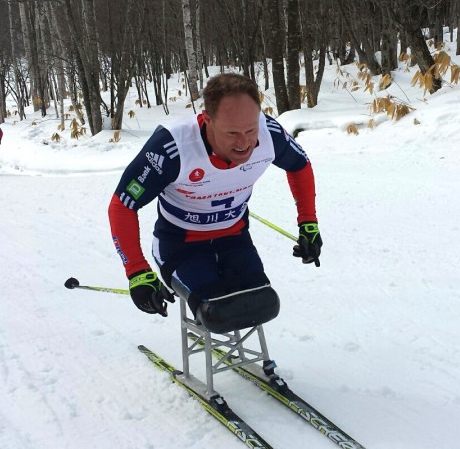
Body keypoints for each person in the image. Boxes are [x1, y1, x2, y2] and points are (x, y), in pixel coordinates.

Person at [108, 73, 322, 333]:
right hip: (181, 244)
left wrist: (308, 223)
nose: (244, 143)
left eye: (250, 129)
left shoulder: (269, 135)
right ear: (207, 119)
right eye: (231, 132)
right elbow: (122, 205)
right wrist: (137, 271)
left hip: (235, 238)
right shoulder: (172, 147)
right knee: (217, 312)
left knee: (263, 304)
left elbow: (301, 166)